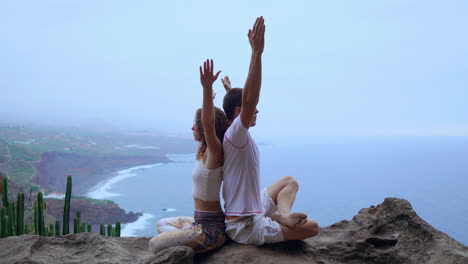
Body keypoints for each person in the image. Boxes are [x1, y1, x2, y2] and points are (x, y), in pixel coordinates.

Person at [221, 16, 319, 246]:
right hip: (243, 225)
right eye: (252, 109)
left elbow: (238, 105)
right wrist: (257, 53)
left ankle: (281, 215)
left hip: (254, 208)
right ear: (239, 111)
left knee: (289, 181)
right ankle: (276, 219)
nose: (257, 112)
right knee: (313, 228)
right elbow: (250, 98)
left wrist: (228, 90)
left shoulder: (233, 133)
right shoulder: (235, 134)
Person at [149, 59, 229, 254]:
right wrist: (210, 97)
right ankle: (188, 232)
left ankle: (194, 236)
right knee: (163, 222)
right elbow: (211, 121)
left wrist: (206, 88)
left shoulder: (214, 152)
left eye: (197, 124)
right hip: (198, 221)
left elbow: (210, 123)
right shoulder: (205, 152)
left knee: (154, 245)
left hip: (211, 229)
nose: (193, 128)